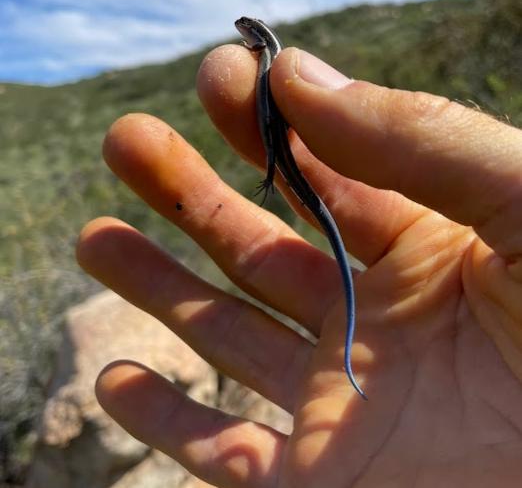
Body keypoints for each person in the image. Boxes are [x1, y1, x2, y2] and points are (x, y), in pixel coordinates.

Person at [77, 45, 522, 487]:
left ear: (255, 36)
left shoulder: (273, 57)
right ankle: (273, 173)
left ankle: (273, 173)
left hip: (283, 147)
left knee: (286, 168)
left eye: (246, 31)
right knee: (283, 170)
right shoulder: (265, 56)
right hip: (281, 144)